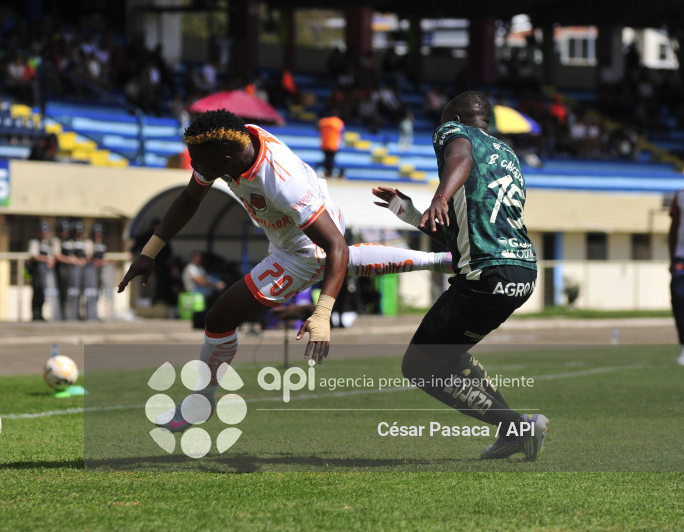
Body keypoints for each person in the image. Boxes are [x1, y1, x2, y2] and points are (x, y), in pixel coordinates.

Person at [118, 109, 451, 432]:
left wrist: (322, 313)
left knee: (220, 316)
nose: (194, 166)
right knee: (230, 311)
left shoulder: (280, 180)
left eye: (199, 162)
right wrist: (149, 252)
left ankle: (200, 402)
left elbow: (337, 247)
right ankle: (444, 260)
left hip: (302, 249)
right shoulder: (229, 144)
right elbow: (190, 198)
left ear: (226, 163)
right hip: (291, 234)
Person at [373, 91, 547, 462]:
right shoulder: (509, 157)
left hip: (487, 275)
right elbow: (461, 238)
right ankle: (513, 432)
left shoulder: (452, 131)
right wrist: (410, 212)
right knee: (446, 353)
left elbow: (460, 155)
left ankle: (518, 426)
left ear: (453, 116)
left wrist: (440, 194)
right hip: (521, 272)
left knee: (417, 366)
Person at [27, 221, 55, 321]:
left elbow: (52, 257)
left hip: (46, 272)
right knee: (36, 293)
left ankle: (41, 313)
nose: (44, 233)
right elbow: (34, 256)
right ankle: (35, 314)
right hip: (36, 272)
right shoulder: (35, 242)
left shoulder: (48, 243)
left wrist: (50, 262)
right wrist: (46, 259)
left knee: (44, 293)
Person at [669, 187, 684, 365]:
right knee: (679, 297)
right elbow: (673, 228)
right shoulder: (680, 196)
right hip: (682, 256)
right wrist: (671, 258)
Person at [83, 223, 107, 321]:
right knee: (89, 294)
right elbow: (87, 257)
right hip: (89, 272)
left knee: (97, 293)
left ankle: (94, 314)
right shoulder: (89, 243)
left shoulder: (101, 244)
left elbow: (103, 258)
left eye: (99, 234)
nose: (98, 236)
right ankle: (87, 314)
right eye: (96, 234)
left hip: (98, 272)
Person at [318, 113, 344, 178]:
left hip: (324, 144)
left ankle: (327, 172)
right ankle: (330, 173)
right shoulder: (338, 122)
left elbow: (318, 128)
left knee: (326, 159)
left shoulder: (323, 121)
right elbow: (342, 130)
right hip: (333, 144)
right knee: (331, 160)